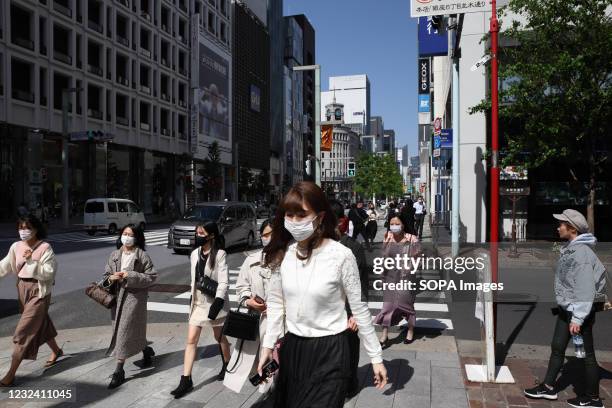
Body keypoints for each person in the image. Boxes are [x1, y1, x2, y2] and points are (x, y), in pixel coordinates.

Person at [258, 182, 387, 407]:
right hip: (294, 348)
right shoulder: (284, 255)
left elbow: (359, 308)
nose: (295, 221)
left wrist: (376, 358)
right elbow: (277, 304)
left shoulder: (341, 256)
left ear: (319, 216)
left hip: (331, 351)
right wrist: (268, 347)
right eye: (290, 215)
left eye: (302, 214)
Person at [524, 209, 606, 408]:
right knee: (558, 347)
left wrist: (578, 318)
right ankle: (549, 387)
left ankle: (594, 398)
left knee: (587, 355)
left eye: (562, 224)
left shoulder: (582, 253)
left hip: (579, 311)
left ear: (573, 229)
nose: (558, 227)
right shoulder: (571, 248)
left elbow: (585, 289)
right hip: (567, 309)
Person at [0, 215, 62, 386]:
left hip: (39, 291)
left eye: (27, 228)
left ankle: (11, 374)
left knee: (24, 331)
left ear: (36, 229)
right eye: (20, 228)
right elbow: (5, 265)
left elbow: (49, 273)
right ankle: (56, 351)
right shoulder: (16, 246)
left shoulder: (45, 248)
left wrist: (31, 261)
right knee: (39, 322)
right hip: (22, 289)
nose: (23, 231)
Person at [172, 222, 231, 398]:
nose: (197, 235)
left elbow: (224, 281)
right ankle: (186, 379)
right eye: (197, 232)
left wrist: (218, 302)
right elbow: (193, 280)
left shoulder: (220, 254)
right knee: (191, 340)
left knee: (219, 336)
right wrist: (191, 298)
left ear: (211, 235)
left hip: (214, 303)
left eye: (201, 232)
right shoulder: (194, 254)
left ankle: (227, 364)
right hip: (198, 302)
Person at [223, 218, 279, 394]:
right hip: (255, 323)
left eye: (270, 234)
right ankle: (268, 393)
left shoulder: (290, 261)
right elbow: (241, 288)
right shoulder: (251, 261)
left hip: (280, 325)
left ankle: (274, 394)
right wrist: (248, 301)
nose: (266, 238)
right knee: (257, 369)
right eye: (263, 235)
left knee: (277, 367)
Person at [104, 224, 157, 389]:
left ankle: (119, 371)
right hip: (117, 298)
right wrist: (111, 278)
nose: (126, 237)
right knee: (128, 331)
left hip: (134, 299)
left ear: (137, 237)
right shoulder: (114, 254)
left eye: (130, 234)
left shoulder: (142, 255)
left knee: (123, 332)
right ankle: (146, 350)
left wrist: (130, 275)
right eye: (124, 233)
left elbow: (152, 277)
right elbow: (105, 276)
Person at [329, 199, 369, 398]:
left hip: (347, 311)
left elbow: (362, 283)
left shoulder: (353, 247)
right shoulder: (317, 246)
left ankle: (351, 382)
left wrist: (355, 315)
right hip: (326, 311)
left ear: (340, 222)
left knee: (349, 349)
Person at [374, 213, 420, 346]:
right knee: (387, 306)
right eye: (392, 224)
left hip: (406, 277)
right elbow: (383, 256)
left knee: (407, 305)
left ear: (403, 225)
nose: (394, 227)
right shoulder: (387, 237)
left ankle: (410, 330)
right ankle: (384, 335)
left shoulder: (411, 239)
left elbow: (419, 258)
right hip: (390, 276)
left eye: (397, 224)